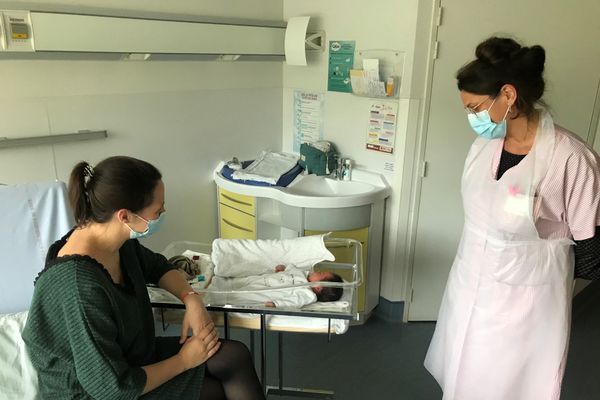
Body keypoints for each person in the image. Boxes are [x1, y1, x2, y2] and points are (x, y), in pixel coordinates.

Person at [424, 37, 600, 400]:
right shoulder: (485, 146)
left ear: (508, 95)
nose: (471, 118)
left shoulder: (571, 158)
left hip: (525, 300)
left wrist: (535, 267)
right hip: (469, 280)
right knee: (462, 372)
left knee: (507, 384)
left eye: (475, 108)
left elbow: (592, 250)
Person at [21, 156, 265, 400]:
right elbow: (112, 388)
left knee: (234, 356)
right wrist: (183, 361)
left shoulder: (115, 241)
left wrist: (191, 299)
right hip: (95, 391)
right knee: (212, 392)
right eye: (158, 211)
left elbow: (158, 267)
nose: (163, 213)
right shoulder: (78, 285)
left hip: (129, 357)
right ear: (125, 216)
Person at [209, 264, 344, 308]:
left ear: (318, 287)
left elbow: (293, 302)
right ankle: (222, 284)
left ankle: (219, 297)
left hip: (269, 292)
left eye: (319, 273)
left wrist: (276, 303)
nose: (316, 271)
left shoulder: (307, 294)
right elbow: (291, 272)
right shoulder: (304, 273)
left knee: (246, 294)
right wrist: (282, 270)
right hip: (266, 279)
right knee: (245, 281)